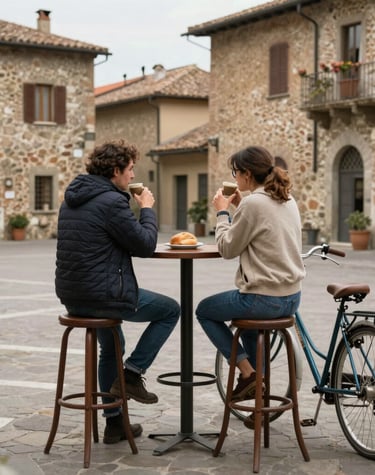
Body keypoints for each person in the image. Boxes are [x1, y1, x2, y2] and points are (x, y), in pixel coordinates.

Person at [55, 139, 180, 444]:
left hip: (73, 297)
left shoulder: (72, 197)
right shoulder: (111, 201)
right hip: (104, 297)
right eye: (130, 169)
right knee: (170, 309)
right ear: (115, 170)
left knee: (112, 344)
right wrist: (147, 208)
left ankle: (115, 424)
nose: (132, 175)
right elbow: (144, 244)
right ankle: (133, 374)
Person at [196, 145, 305, 429]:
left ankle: (248, 374)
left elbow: (227, 248)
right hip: (291, 298)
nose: (235, 177)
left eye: (235, 172)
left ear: (245, 174)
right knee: (252, 330)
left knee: (205, 311)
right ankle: (260, 407)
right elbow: (260, 222)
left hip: (263, 298)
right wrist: (238, 206)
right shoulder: (286, 198)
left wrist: (222, 213)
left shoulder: (253, 204)